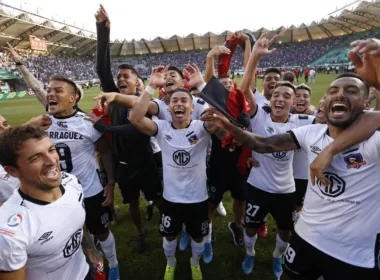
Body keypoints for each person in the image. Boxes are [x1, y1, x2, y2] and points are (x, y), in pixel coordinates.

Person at [203, 38, 380, 280]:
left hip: (354, 254)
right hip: (307, 238)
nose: (340, 95)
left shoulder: (374, 142)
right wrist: (227, 125)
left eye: (351, 91)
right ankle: (253, 254)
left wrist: (377, 79)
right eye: (333, 91)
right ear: (325, 102)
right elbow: (262, 143)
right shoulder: (311, 132)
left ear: (367, 103)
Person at [216, 33, 315, 278]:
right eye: (276, 95)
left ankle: (276, 257)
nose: (280, 98)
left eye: (287, 96)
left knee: (286, 232)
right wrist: (256, 56)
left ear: (294, 103)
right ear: (270, 98)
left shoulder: (303, 122)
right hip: (257, 186)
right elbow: (246, 87)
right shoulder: (260, 114)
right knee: (250, 228)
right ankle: (250, 254)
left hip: (285, 191)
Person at [128, 65, 222, 280]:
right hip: (171, 199)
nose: (179, 104)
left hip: (198, 199)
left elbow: (224, 112)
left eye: (184, 101)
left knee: (199, 237)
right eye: (174, 101)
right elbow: (135, 117)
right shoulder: (161, 128)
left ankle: (194, 262)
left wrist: (201, 85)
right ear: (168, 108)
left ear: (192, 107)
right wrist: (151, 86)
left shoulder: (202, 127)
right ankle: (170, 263)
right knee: (169, 236)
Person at [95, 4, 162, 253]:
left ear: (138, 82)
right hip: (124, 165)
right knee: (132, 202)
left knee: (159, 197)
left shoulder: (146, 101)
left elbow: (137, 130)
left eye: (127, 76)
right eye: (119, 76)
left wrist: (106, 129)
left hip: (145, 160)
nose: (121, 79)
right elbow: (101, 69)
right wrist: (103, 30)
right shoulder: (113, 94)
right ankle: (141, 232)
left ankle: (170, 229)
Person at [0, 126, 103, 280]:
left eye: (51, 150)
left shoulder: (71, 182)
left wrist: (90, 249)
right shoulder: (9, 232)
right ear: (12, 171)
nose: (52, 161)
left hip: (86, 272)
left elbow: (76, 224)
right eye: (36, 158)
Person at [45, 74, 120, 280]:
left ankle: (113, 263)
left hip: (90, 190)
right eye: (49, 90)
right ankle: (90, 264)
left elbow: (105, 152)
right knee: (70, 235)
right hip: (58, 195)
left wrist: (111, 183)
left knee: (101, 231)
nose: (51, 93)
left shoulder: (87, 122)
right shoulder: (43, 124)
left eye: (58, 90)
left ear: (73, 98)